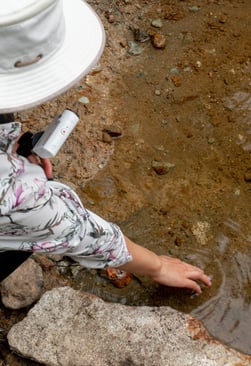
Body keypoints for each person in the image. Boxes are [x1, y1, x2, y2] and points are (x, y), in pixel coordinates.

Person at [0, 0, 211, 294]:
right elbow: (72, 229)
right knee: (22, 239)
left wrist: (10, 152)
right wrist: (157, 266)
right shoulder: (14, 195)